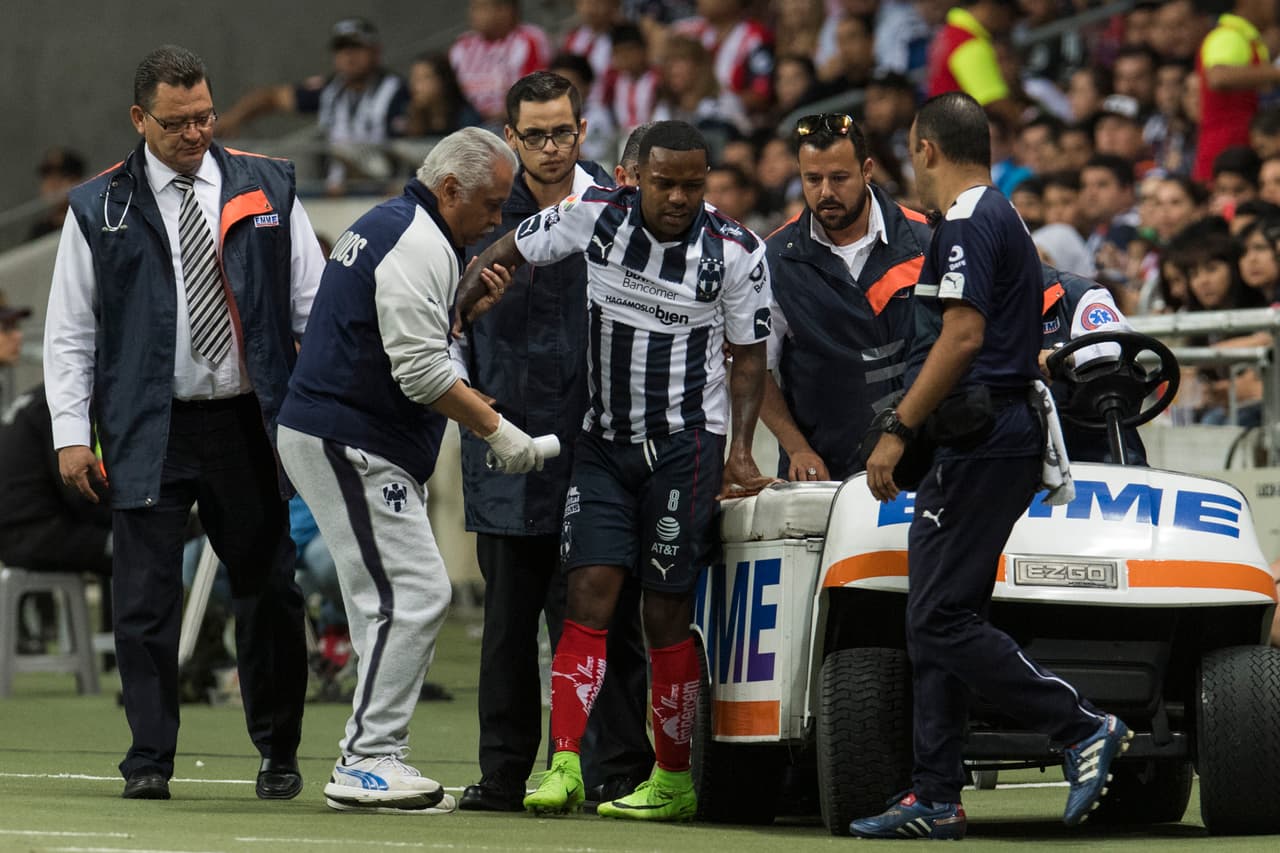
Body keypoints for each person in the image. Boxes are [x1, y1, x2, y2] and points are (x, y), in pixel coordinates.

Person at [454, 120, 776, 821]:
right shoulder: (595, 213)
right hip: (601, 442)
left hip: (685, 446)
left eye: (694, 184)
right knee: (588, 592)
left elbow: (748, 356)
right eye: (666, 183)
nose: (681, 196)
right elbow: (503, 247)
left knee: (663, 613)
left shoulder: (738, 251)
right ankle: (565, 764)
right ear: (636, 177)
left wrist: (743, 449)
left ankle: (673, 776)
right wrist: (460, 309)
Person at [43, 44, 325, 802]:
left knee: (269, 591)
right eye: (177, 123)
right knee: (142, 601)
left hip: (247, 422)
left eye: (204, 116)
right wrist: (73, 432)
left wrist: (323, 413)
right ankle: (148, 759)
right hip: (148, 426)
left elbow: (314, 308)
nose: (196, 132)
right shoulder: (99, 205)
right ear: (140, 119)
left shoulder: (268, 185)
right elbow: (70, 331)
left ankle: (278, 749)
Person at [854, 92, 1132, 839]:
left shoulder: (968, 219)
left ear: (924, 149)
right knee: (944, 614)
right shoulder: (999, 213)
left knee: (937, 615)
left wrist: (896, 426)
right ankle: (936, 792)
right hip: (996, 430)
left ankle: (1080, 725)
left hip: (983, 432)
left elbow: (962, 337)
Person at [275, 127, 535, 815]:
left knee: (384, 600)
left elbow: (396, 334)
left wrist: (462, 311)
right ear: (450, 188)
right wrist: (498, 431)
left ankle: (374, 755)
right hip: (351, 437)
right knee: (417, 590)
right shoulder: (419, 242)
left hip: (338, 430)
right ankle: (365, 761)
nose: (497, 217)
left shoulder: (400, 226)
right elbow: (418, 371)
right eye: (490, 201)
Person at [450, 72, 653, 814]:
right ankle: (504, 773)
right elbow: (442, 318)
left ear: (583, 129)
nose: (549, 146)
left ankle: (617, 770)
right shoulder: (476, 209)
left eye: (561, 131)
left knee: (601, 616)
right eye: (533, 134)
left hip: (596, 441)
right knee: (507, 622)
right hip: (500, 436)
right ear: (509, 136)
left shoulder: (618, 207)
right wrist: (470, 403)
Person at [761, 112, 930, 482]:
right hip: (826, 474)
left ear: (867, 170)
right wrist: (797, 448)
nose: (825, 193)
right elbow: (754, 368)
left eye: (839, 178)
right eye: (812, 179)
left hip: (930, 465)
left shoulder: (926, 242)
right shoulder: (774, 261)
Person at [217, 18, 410, 194]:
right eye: (341, 48)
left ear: (375, 51)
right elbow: (271, 98)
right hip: (335, 192)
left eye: (357, 47)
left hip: (384, 191)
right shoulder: (330, 91)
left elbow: (411, 141)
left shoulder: (396, 91)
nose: (349, 55)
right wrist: (232, 119)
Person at [1039, 264, 1146, 465]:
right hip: (1026, 456)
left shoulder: (1079, 294)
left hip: (1099, 450)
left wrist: (1061, 356)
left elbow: (1112, 349)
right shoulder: (979, 309)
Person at [1194, 0, 1279, 183]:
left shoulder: (1249, 39)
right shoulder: (1229, 36)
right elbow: (1218, 77)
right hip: (1225, 150)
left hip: (1240, 146)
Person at [449, 0, 552, 125]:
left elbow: (534, 90)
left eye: (481, 8)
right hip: (469, 120)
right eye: (473, 9)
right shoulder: (462, 45)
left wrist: (504, 113)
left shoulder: (529, 39)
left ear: (505, 11)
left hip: (514, 121)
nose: (473, 14)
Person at [30, 147, 87, 240]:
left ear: (78, 181)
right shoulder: (40, 231)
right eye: (47, 176)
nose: (52, 184)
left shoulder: (92, 219)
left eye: (62, 176)